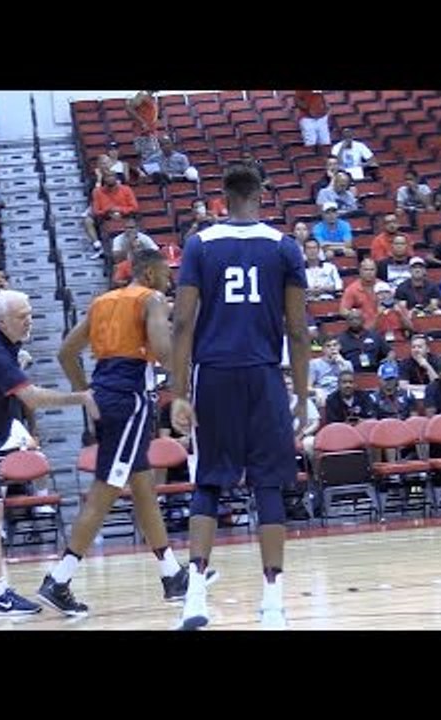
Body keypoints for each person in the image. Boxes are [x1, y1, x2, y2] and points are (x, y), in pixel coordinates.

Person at [170, 164, 310, 630]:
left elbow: (183, 323)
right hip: (264, 374)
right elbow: (296, 328)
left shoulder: (199, 244)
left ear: (222, 197)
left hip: (213, 375)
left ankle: (194, 598)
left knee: (208, 482)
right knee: (268, 484)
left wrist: (178, 392)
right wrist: (304, 394)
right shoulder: (284, 246)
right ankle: (272, 603)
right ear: (262, 194)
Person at [41, 249, 213, 617]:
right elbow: (166, 354)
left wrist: (86, 393)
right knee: (105, 491)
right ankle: (59, 579)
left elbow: (66, 352)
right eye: (166, 273)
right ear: (149, 273)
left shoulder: (103, 301)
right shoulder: (150, 299)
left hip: (109, 393)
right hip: (130, 398)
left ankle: (172, 576)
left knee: (142, 486)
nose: (170, 281)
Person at [0, 290, 99, 616]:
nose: (29, 321)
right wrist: (82, 397)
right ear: (0, 321)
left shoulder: (4, 342)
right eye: (22, 316)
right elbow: (33, 399)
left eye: (30, 313)